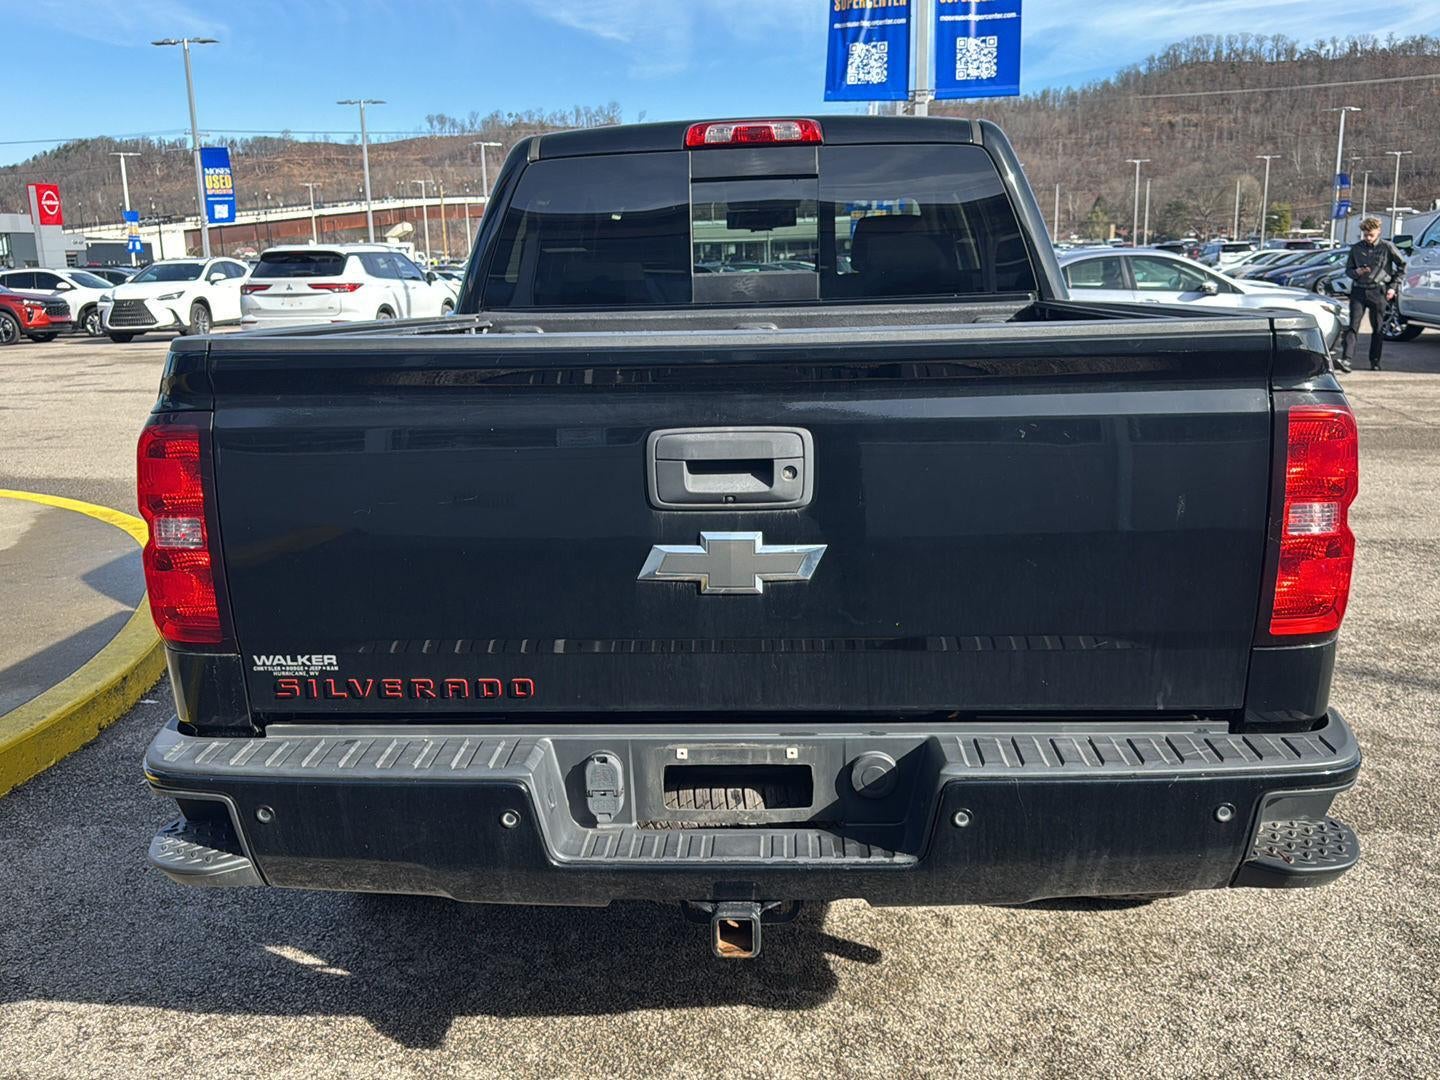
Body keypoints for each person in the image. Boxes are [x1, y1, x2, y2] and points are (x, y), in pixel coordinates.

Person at [1341, 217, 1408, 372]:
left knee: (1378, 328)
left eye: (1371, 235)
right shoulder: (1356, 248)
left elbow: (1402, 266)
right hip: (1359, 290)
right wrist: (1356, 272)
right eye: (1365, 235)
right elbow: (1348, 270)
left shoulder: (1387, 247)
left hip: (1378, 291)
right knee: (1353, 326)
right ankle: (1346, 359)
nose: (1368, 238)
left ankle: (1375, 361)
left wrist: (1393, 287)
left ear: (1378, 232)